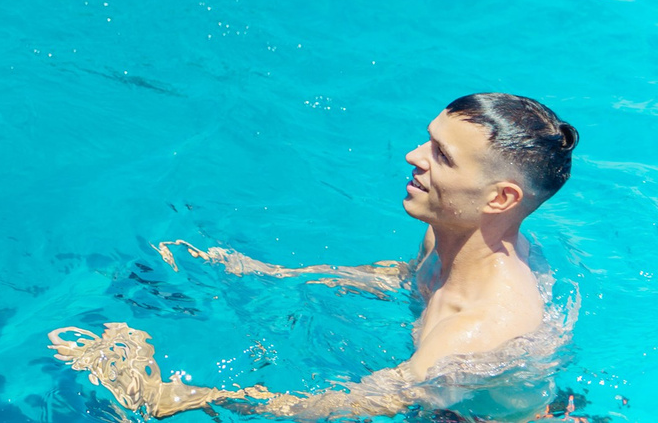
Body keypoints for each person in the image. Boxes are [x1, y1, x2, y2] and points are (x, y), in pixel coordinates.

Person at [50, 94, 579, 418]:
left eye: (441, 156)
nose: (413, 157)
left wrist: (170, 396)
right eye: (428, 140)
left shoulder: (477, 330)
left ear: (500, 198)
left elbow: (341, 410)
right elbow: (405, 278)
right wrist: (277, 276)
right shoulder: (455, 233)